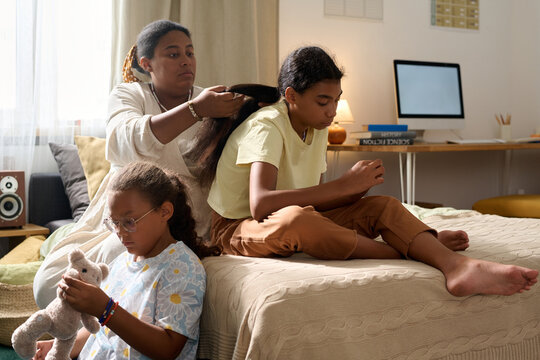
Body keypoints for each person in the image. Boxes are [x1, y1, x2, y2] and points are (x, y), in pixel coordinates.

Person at [206, 46, 538, 297]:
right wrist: (341, 187)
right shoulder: (266, 126)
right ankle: (415, 249)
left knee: (384, 205)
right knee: (299, 221)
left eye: (336, 100)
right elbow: (261, 205)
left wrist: (352, 192)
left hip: (287, 218)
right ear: (291, 96)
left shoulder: (316, 126)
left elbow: (319, 202)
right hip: (237, 228)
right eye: (323, 101)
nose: (332, 111)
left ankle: (457, 267)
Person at [33, 19, 244, 309]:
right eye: (173, 54)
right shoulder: (130, 95)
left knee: (124, 263)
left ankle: (118, 330)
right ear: (147, 63)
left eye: (189, 52)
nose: (185, 61)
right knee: (49, 285)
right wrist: (196, 111)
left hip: (186, 216)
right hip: (124, 216)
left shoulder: (213, 103)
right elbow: (123, 140)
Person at [32, 161, 212, 360]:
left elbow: (168, 349)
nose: (120, 233)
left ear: (165, 212)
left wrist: (105, 309)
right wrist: (59, 348)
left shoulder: (183, 267)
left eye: (129, 222)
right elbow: (103, 330)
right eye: (115, 223)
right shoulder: (122, 261)